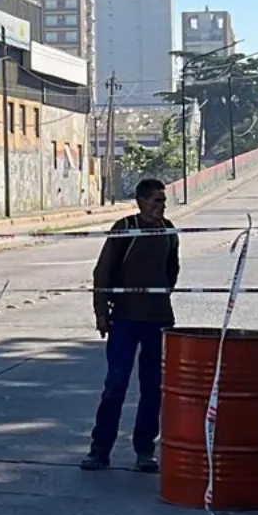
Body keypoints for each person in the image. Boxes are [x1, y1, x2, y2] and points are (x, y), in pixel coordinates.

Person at [82, 176, 179, 474]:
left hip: (158, 321)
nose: (160, 207)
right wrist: (101, 312)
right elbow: (103, 272)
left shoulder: (168, 232)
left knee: (153, 388)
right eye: (155, 201)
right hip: (124, 321)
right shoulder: (124, 229)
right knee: (115, 385)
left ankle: (145, 450)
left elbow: (172, 270)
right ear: (140, 202)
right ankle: (100, 450)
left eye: (163, 201)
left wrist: (158, 296)